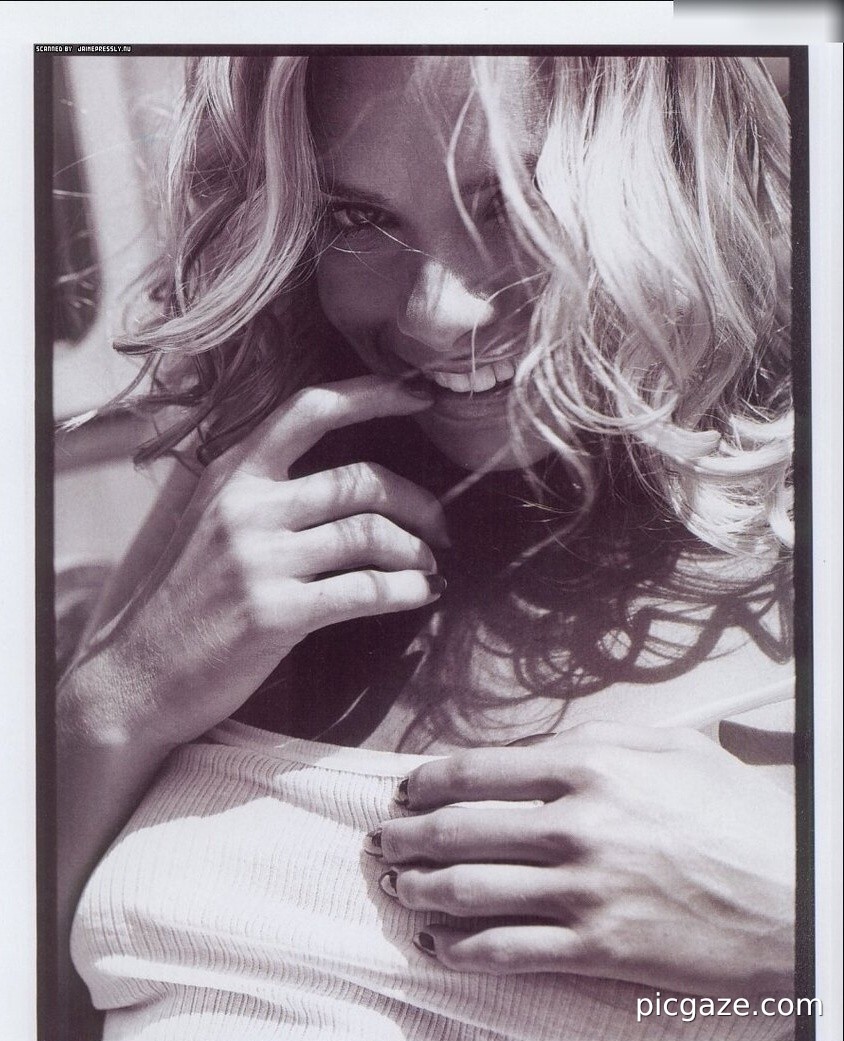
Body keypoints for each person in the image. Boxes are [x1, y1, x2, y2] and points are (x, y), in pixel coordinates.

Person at [57, 54, 797, 1040]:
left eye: (520, 200)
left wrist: (797, 922)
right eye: (356, 218)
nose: (437, 314)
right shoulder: (261, 480)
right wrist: (114, 700)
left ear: (680, 169)